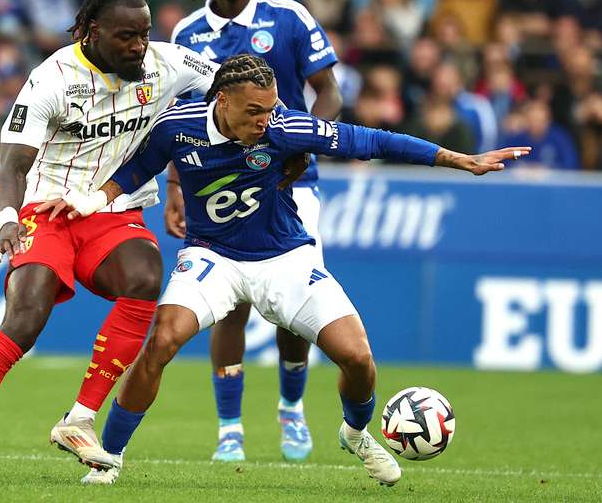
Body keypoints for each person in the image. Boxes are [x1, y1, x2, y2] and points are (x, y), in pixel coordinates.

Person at [41, 54, 530, 485]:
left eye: (272, 107)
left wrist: (460, 160)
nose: (266, 119)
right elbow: (132, 173)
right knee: (162, 341)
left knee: (358, 359)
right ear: (222, 100)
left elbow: (373, 141)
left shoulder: (285, 127)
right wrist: (90, 201)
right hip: (212, 256)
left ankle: (355, 434)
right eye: (255, 110)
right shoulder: (176, 127)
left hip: (286, 258)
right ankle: (109, 459)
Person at [0, 0, 218, 480]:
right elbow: (12, 167)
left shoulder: (170, 63)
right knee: (25, 319)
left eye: (144, 33)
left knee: (144, 277)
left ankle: (79, 419)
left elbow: (228, 83)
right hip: (46, 210)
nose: (139, 46)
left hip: (113, 211)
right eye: (126, 37)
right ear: (93, 32)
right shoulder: (52, 78)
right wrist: (8, 222)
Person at [169, 0, 342, 462]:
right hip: (217, 184)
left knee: (297, 307)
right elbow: (174, 120)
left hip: (292, 183)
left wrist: (302, 149)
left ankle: (291, 407)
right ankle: (229, 428)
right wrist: (175, 185)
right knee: (229, 307)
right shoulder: (186, 35)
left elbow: (330, 93)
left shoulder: (288, 17)